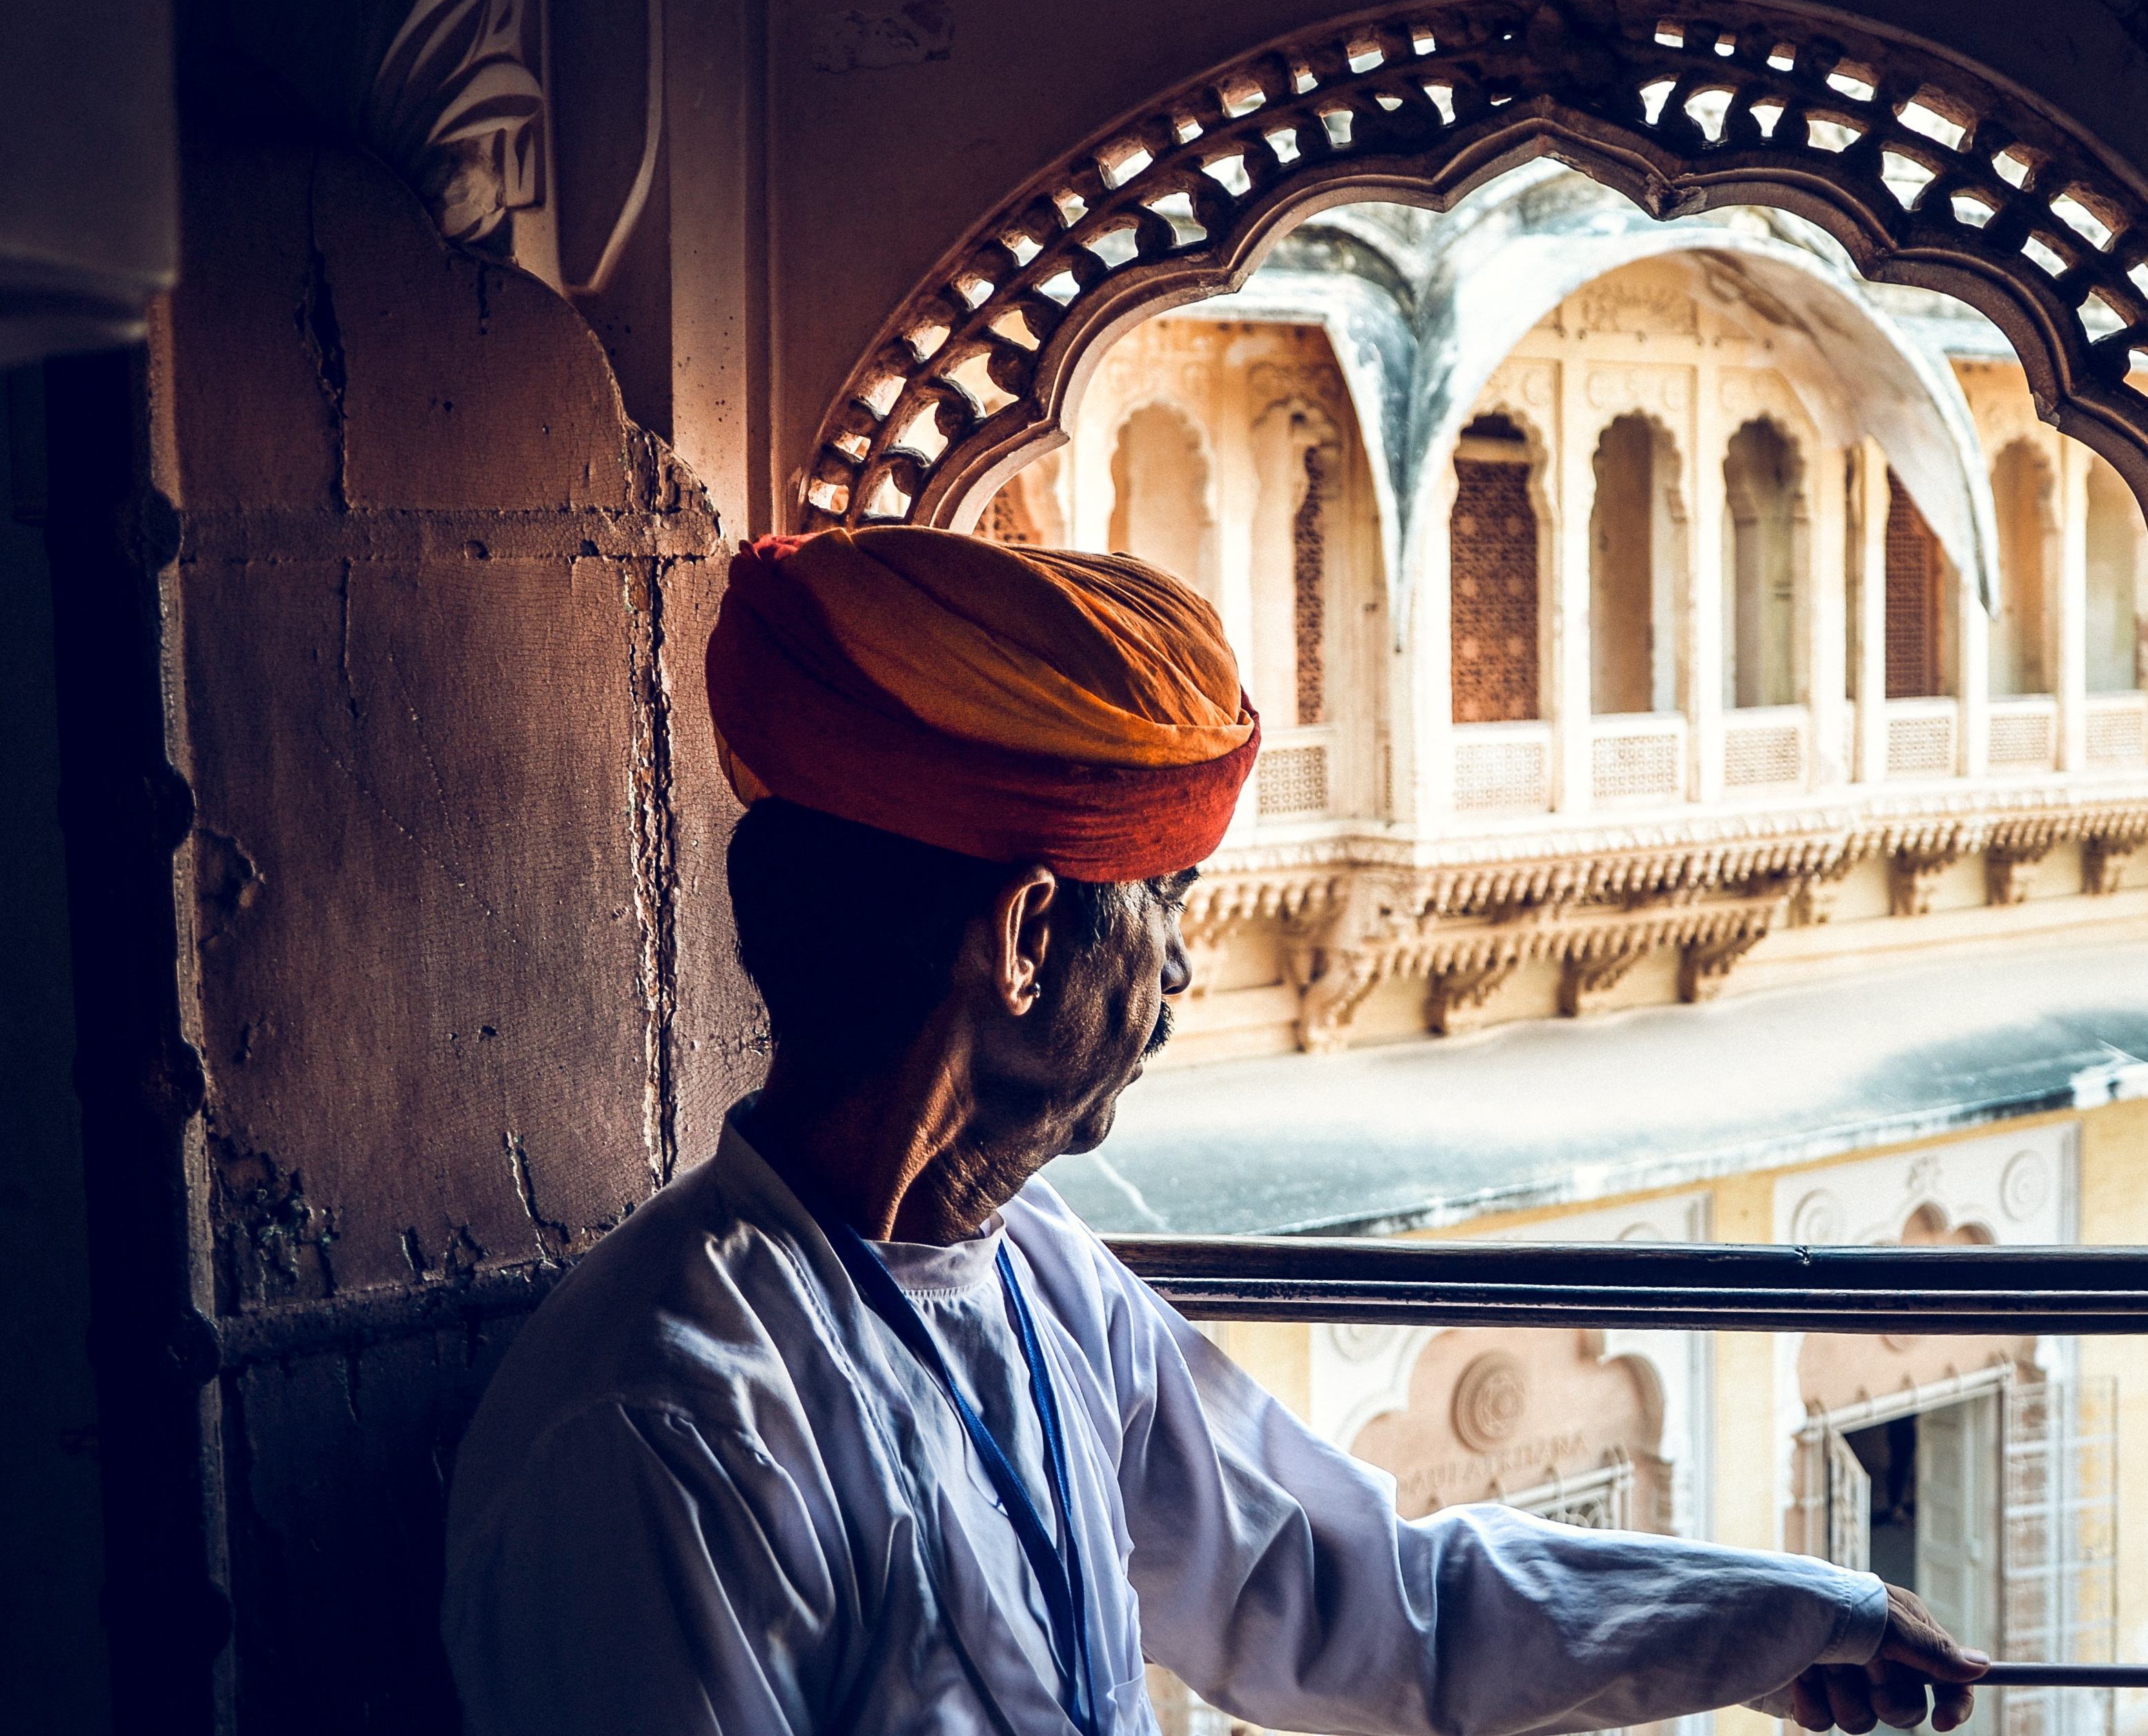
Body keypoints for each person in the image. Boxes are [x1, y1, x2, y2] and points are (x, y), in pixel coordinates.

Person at [442, 524, 1991, 1736]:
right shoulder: (670, 1422)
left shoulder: (1037, 1273)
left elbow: (1366, 1598)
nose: (1183, 964)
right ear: (1029, 932)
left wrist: (1796, 1612)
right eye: (1166, 901)